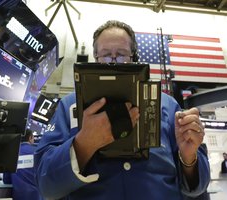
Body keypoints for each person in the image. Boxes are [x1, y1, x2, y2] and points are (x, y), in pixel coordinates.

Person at [34, 20, 210, 200]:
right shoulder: (69, 106)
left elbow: (198, 189)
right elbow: (45, 183)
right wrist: (84, 143)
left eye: (121, 54)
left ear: (133, 56)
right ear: (96, 57)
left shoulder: (168, 105)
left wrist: (188, 159)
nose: (112, 62)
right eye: (106, 55)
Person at [3, 130, 43, 200]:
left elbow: (6, 180)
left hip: (18, 196)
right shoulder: (38, 152)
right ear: (30, 138)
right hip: (38, 196)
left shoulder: (11, 154)